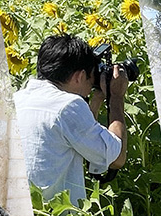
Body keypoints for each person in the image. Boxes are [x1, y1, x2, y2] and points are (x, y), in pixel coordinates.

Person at [13, 34, 128, 203]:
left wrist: (97, 99)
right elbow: (116, 158)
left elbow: (79, 135)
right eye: (90, 80)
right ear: (79, 77)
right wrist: (116, 96)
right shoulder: (68, 105)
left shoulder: (16, 99)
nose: (90, 87)